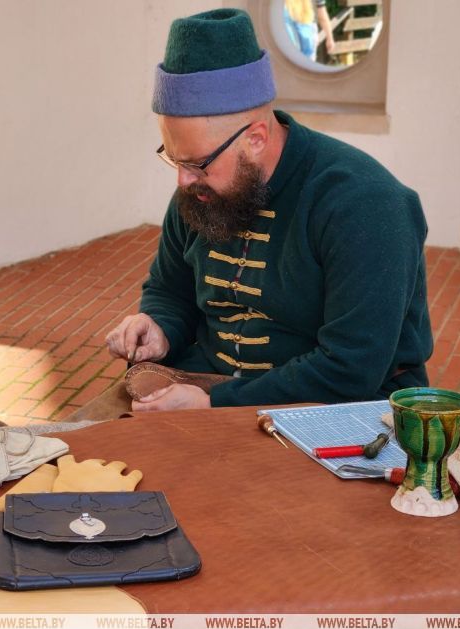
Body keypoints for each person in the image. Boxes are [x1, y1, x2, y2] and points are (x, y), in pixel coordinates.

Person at [79, 8, 433, 418]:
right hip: (204, 383)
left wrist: (215, 404)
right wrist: (159, 327)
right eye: (174, 159)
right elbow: (170, 290)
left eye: (197, 163)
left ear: (257, 138)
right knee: (81, 446)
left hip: (341, 405)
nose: (183, 181)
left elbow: (349, 369)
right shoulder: (199, 189)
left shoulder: (365, 204)